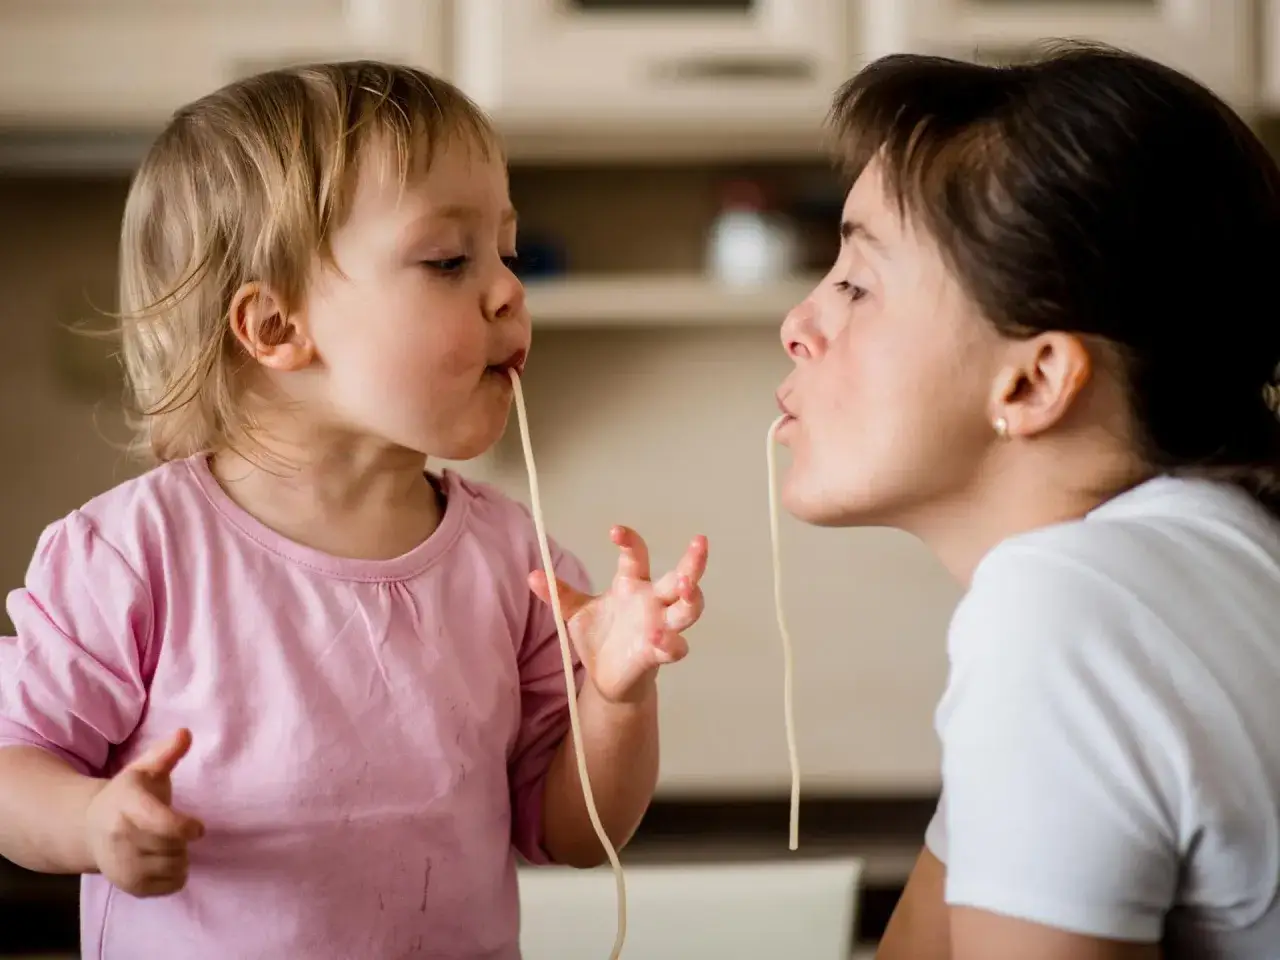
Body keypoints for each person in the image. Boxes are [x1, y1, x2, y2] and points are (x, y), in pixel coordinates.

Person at [0, 61, 708, 959]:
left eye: (507, 252)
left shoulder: (514, 563)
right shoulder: (134, 554)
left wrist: (615, 701)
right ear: (275, 330)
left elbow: (571, 835)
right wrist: (93, 821)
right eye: (450, 261)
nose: (508, 290)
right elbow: (13, 770)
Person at [775, 43, 1280, 960]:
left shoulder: (1065, 610)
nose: (798, 326)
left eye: (856, 283)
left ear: (1034, 381)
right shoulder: (1226, 547)